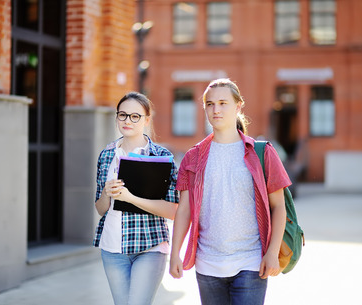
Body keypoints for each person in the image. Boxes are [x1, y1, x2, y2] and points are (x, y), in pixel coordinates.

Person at [169, 79, 291, 305]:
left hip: (251, 263)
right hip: (208, 266)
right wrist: (175, 253)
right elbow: (184, 209)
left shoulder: (261, 153)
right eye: (210, 104)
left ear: (238, 106)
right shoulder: (192, 157)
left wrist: (272, 252)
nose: (216, 110)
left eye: (223, 103)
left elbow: (279, 206)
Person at [93, 92, 179, 305]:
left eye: (135, 116)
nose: (127, 121)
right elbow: (99, 209)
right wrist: (106, 193)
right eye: (122, 115)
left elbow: (173, 210)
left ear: (146, 120)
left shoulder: (161, 156)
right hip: (112, 249)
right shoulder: (106, 154)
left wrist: (130, 198)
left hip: (149, 247)